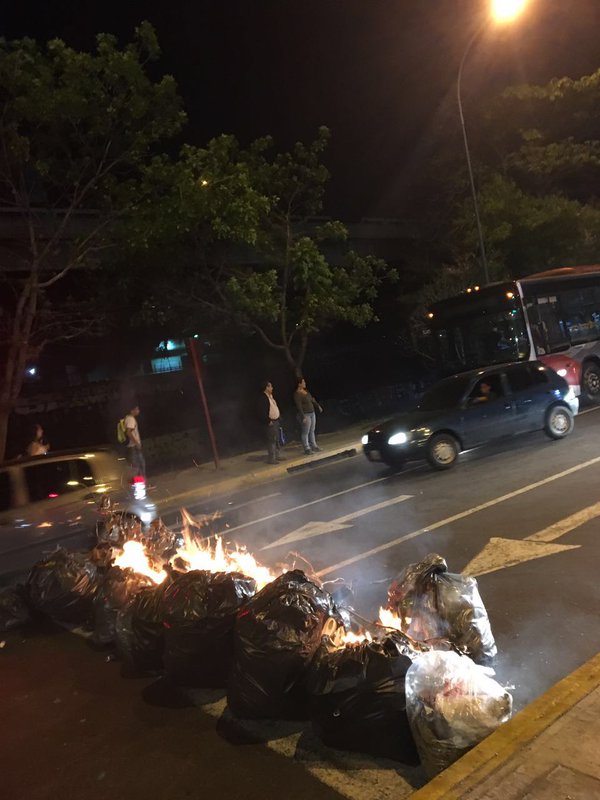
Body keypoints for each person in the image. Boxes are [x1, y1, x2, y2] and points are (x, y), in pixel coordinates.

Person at [294, 377, 323, 455]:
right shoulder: (297, 394)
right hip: (306, 414)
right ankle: (307, 448)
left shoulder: (306, 391)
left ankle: (314, 446)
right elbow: (299, 406)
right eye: (303, 382)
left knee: (312, 430)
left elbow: (312, 399)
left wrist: (317, 406)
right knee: (305, 432)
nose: (305, 383)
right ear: (299, 384)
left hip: (312, 413)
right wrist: (303, 416)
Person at [258, 381, 285, 465]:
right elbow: (262, 411)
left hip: (276, 421)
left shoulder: (271, 397)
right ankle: (271, 458)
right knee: (271, 440)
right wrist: (268, 420)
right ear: (266, 387)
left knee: (276, 439)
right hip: (270, 422)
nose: (272, 388)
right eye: (270, 386)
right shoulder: (263, 398)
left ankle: (277, 455)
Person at [123, 404, 146, 478]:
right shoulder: (130, 419)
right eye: (137, 409)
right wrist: (137, 443)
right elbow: (128, 432)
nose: (138, 411)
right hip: (134, 446)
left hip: (132, 447)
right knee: (140, 465)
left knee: (137, 466)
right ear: (132, 410)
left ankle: (141, 484)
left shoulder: (128, 418)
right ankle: (142, 484)